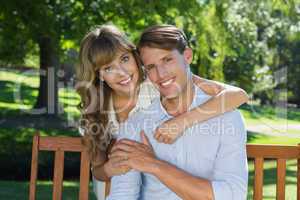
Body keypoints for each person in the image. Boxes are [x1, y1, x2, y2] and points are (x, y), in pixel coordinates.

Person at [75, 25, 248, 199]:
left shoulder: (158, 85)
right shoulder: (98, 112)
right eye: (108, 68)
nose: (121, 73)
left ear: (136, 59)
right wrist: (111, 167)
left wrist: (182, 122)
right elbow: (101, 173)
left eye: (125, 59)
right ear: (99, 76)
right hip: (114, 179)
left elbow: (237, 94)